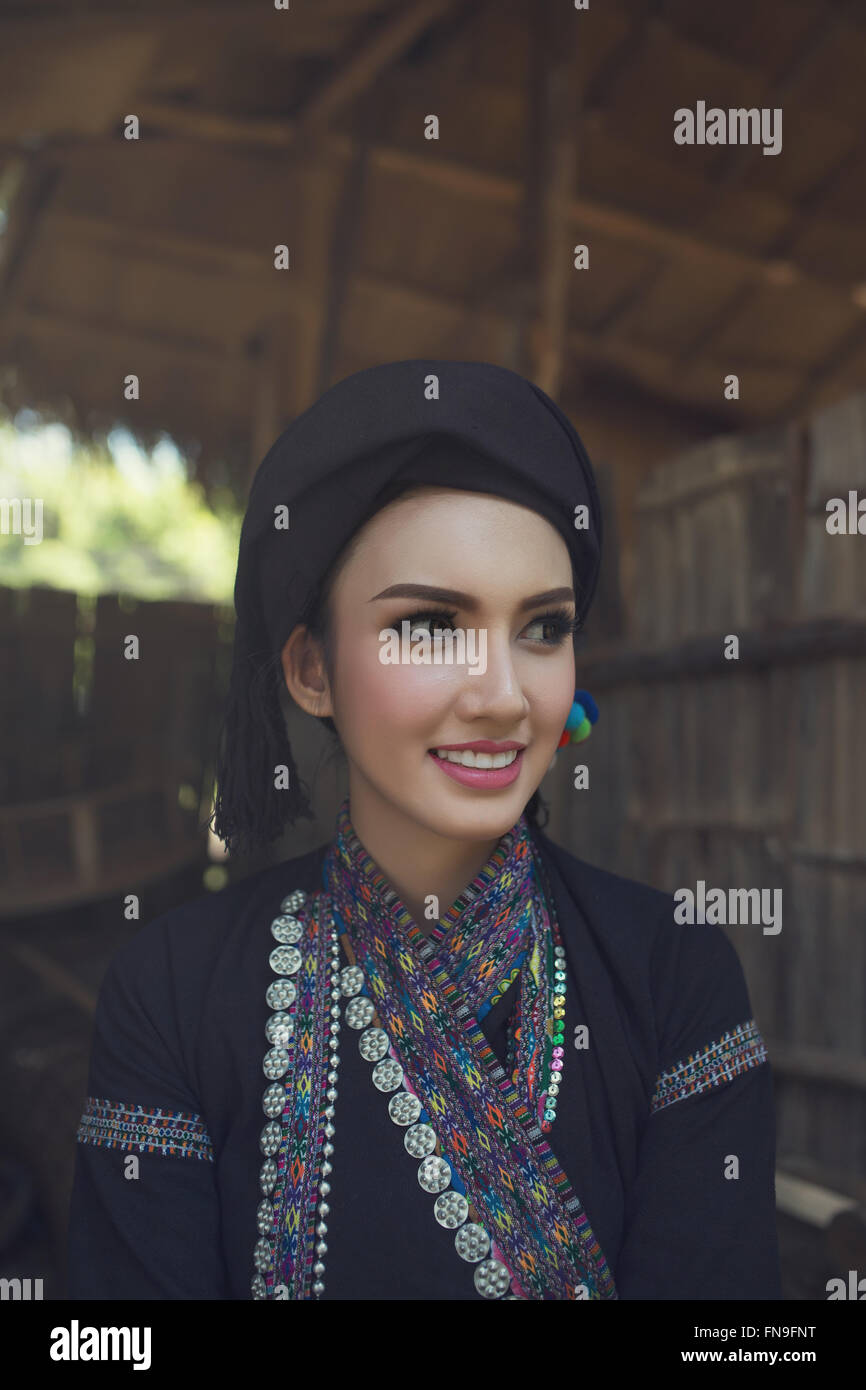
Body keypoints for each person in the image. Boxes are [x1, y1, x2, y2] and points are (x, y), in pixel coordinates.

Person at [67, 359, 781, 1300]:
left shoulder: (677, 977)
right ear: (312, 671)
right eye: (432, 624)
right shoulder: (170, 994)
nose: (501, 696)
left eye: (543, 628)